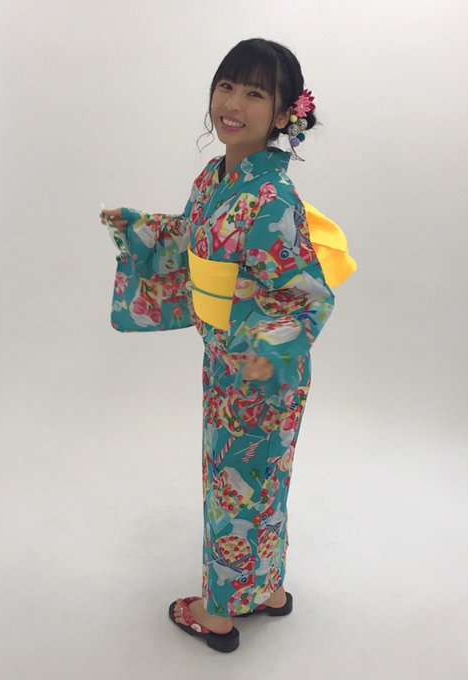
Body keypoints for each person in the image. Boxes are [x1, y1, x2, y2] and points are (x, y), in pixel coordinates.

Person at [100, 38, 347, 653]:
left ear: (285, 112)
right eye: (227, 86)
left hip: (261, 366)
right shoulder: (217, 177)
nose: (233, 104)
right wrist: (141, 228)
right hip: (230, 360)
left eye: (255, 93)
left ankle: (217, 610)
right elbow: (192, 239)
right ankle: (266, 589)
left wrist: (266, 350)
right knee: (260, 482)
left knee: (235, 487)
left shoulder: (272, 199)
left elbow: (306, 294)